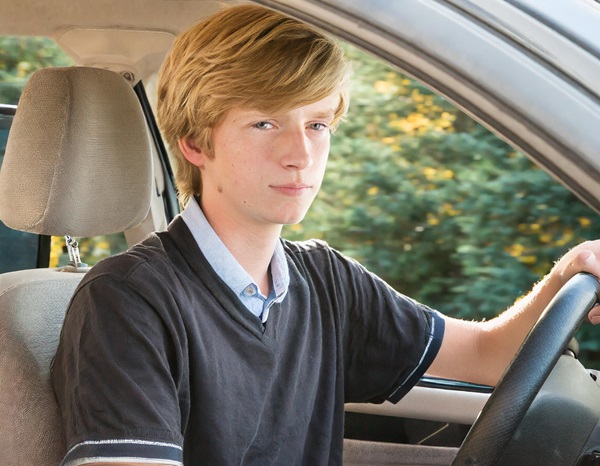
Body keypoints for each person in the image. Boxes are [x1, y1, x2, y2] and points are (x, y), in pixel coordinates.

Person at [50, 3, 600, 466]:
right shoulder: (126, 301)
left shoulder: (325, 280)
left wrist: (569, 274)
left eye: (317, 125)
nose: (301, 155)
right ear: (195, 142)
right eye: (265, 122)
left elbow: (485, 353)